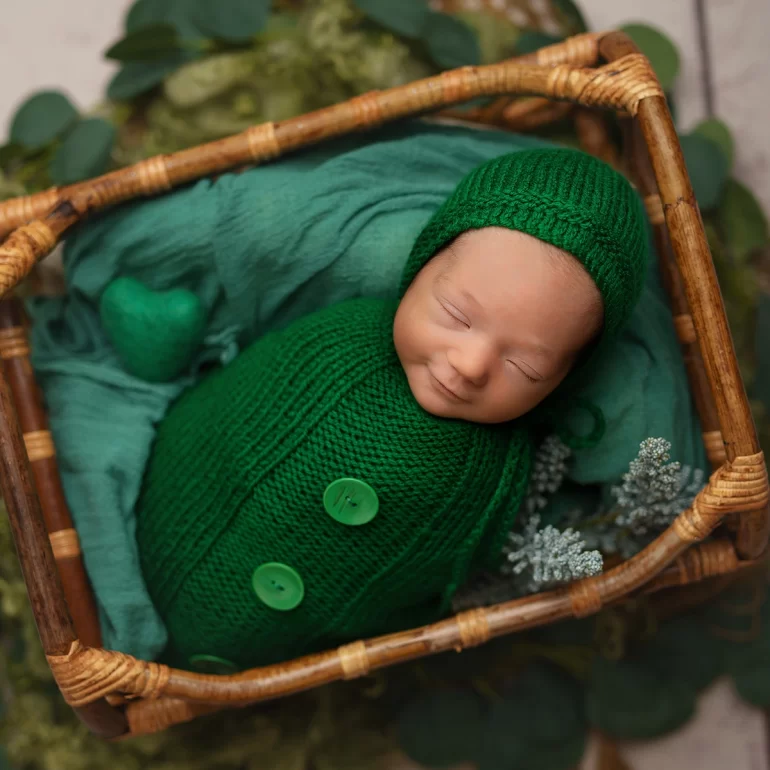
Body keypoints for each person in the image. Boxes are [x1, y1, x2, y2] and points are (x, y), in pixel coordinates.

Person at [132, 147, 649, 671]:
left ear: (565, 379)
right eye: (454, 314)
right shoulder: (332, 348)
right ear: (419, 268)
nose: (471, 365)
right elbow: (221, 423)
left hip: (271, 664)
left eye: (526, 368)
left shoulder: (494, 478)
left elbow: (440, 582)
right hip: (158, 538)